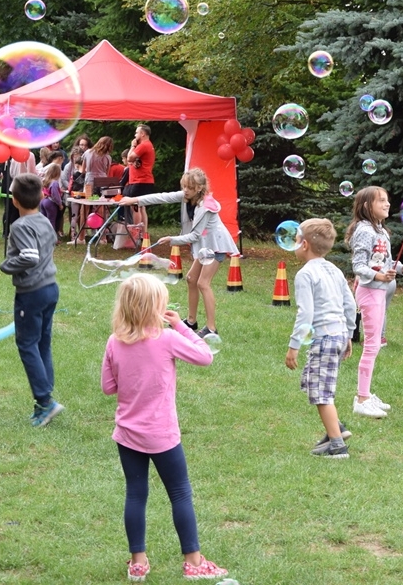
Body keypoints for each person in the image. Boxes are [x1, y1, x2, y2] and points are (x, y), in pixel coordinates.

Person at [101, 273, 228, 582]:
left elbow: (108, 387)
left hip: (128, 433)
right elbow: (204, 356)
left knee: (136, 494)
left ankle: (138, 563)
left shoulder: (114, 341)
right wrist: (182, 326)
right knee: (180, 493)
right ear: (153, 307)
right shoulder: (169, 338)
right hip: (162, 434)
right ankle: (194, 561)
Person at [119, 168, 238, 337]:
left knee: (203, 283)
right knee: (191, 279)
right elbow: (162, 197)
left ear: (198, 188)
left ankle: (211, 328)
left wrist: (172, 239)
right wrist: (134, 199)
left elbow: (195, 236)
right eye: (184, 187)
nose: (185, 190)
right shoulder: (186, 196)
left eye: (189, 187)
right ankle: (191, 322)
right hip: (206, 246)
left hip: (216, 245)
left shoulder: (206, 206)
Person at [285, 218, 357, 458]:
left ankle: (337, 445)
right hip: (337, 335)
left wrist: (293, 346)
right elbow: (350, 303)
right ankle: (336, 429)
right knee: (315, 383)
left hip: (325, 338)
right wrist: (348, 334)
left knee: (321, 393)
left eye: (295, 240)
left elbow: (305, 313)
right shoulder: (333, 269)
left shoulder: (305, 274)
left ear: (304, 244)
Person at [344, 185, 403, 418]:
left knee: (374, 344)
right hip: (369, 291)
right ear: (367, 206)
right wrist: (379, 276)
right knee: (372, 345)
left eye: (387, 200)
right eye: (381, 201)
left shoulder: (381, 231)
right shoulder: (365, 231)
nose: (387, 204)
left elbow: (385, 262)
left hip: (378, 290)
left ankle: (365, 394)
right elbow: (358, 267)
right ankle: (362, 399)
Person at [0, 173, 63, 427]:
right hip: (50, 288)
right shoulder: (44, 220)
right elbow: (53, 242)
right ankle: (45, 398)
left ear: (14, 201)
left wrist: (7, 265)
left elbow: (29, 256)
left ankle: (45, 402)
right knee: (42, 343)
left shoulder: (21, 226)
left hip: (32, 293)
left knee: (27, 344)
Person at [123, 125, 156, 234]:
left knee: (135, 207)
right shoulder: (149, 145)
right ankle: (144, 233)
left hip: (139, 181)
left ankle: (136, 234)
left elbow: (129, 158)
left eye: (137, 133)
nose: (135, 135)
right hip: (144, 180)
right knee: (142, 207)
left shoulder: (143, 145)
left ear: (143, 134)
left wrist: (132, 146)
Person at [39, 163, 64, 235]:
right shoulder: (55, 182)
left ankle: (42, 236)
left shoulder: (46, 180)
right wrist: (60, 204)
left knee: (43, 220)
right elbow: (55, 195)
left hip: (43, 201)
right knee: (51, 220)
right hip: (50, 203)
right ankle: (52, 238)